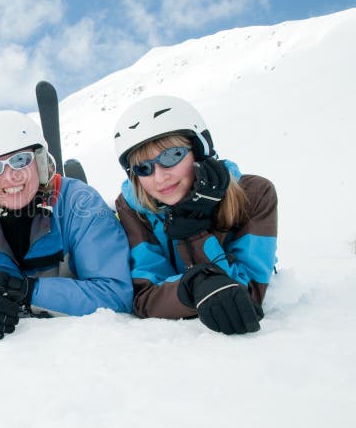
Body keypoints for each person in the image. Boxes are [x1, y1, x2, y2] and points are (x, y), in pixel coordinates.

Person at [0, 110, 133, 339]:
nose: (10, 177)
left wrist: (28, 291)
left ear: (39, 161)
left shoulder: (80, 204)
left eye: (20, 160)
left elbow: (114, 293)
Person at [113, 95, 277, 335]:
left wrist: (195, 232)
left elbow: (247, 295)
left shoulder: (255, 194)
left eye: (172, 156)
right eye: (143, 168)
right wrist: (192, 287)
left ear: (200, 150)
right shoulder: (134, 209)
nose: (160, 177)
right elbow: (145, 295)